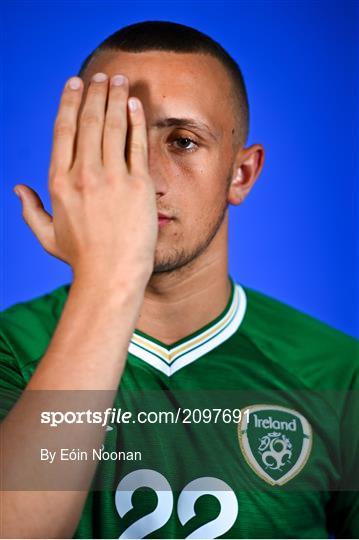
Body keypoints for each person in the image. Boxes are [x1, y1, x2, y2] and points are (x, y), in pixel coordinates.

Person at [1, 20, 358, 539]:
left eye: (184, 141)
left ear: (242, 173)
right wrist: (107, 277)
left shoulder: (338, 375)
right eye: (116, 140)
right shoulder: (11, 349)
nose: (144, 176)